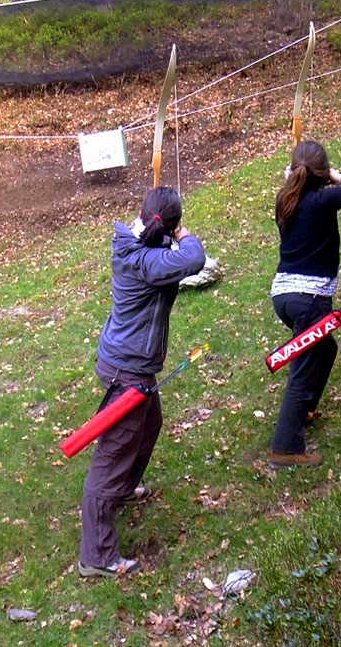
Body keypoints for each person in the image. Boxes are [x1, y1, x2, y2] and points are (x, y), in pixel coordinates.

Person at [79, 187, 205, 578]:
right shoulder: (146, 261)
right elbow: (195, 259)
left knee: (149, 426)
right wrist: (183, 235)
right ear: (169, 225)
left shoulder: (136, 244)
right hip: (126, 371)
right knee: (112, 455)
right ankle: (96, 556)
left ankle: (124, 488)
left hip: (129, 363)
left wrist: (168, 229)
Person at [269, 140, 341, 468]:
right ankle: (285, 449)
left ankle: (304, 410)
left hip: (284, 297)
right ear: (320, 173)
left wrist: (300, 176)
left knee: (324, 350)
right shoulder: (321, 200)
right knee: (303, 370)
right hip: (310, 303)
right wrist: (335, 175)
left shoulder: (284, 199)